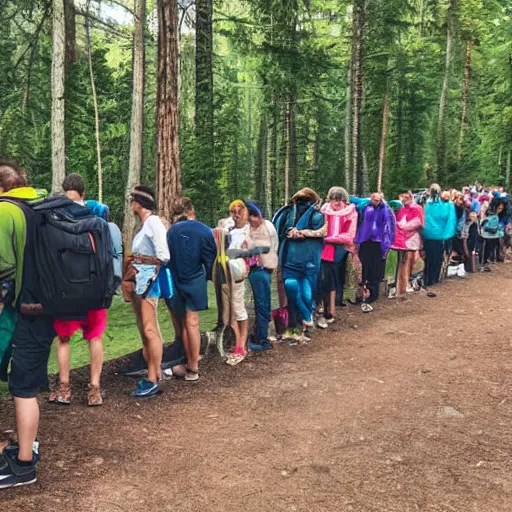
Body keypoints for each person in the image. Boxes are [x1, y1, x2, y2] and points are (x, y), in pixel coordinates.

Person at [49, 174, 122, 407]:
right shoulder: (97, 218)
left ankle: (64, 389)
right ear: (83, 194)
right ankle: (94, 389)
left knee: (63, 339)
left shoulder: (56, 217)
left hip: (66, 291)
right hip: (94, 289)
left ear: (65, 192)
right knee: (95, 337)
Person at [0, 161, 52, 489]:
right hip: (46, 310)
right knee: (28, 385)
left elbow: (4, 272)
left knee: (22, 389)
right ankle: (24, 449)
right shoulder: (41, 207)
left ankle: (23, 467)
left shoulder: (6, 212)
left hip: (19, 314)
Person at [123, 186, 171, 398]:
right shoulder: (145, 225)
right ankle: (153, 371)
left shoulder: (153, 223)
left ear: (139, 203)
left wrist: (142, 261)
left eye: (133, 200)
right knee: (147, 329)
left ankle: (152, 378)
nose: (131, 204)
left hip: (150, 281)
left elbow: (163, 255)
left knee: (150, 329)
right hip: (141, 279)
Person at [166, 197, 216, 381]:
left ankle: (188, 360)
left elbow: (167, 258)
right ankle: (193, 367)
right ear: (191, 211)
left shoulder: (170, 232)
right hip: (195, 280)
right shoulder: (204, 230)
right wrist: (208, 276)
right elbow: (210, 260)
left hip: (177, 280)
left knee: (185, 323)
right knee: (193, 322)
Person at [273, 188, 325, 341]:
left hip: (292, 259)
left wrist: (296, 233)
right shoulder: (318, 215)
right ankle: (305, 320)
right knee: (305, 291)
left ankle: (300, 323)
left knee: (294, 289)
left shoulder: (288, 212)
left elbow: (279, 231)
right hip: (308, 261)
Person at [312, 187, 357, 328]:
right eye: (334, 199)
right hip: (323, 250)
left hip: (340, 250)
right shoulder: (323, 211)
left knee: (335, 281)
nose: (337, 203)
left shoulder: (350, 213)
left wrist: (330, 238)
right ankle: (323, 310)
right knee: (323, 280)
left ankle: (330, 310)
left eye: (340, 199)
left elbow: (349, 235)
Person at [245, 201, 279, 351]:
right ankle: (260, 335)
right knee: (261, 303)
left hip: (260, 269)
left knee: (262, 303)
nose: (251, 219)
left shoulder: (265, 227)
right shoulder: (251, 228)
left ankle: (262, 338)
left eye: (253, 215)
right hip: (257, 269)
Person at [354, 192, 396, 312]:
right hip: (365, 240)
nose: (376, 201)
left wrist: (386, 244)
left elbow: (389, 227)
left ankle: (373, 293)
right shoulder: (365, 207)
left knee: (376, 268)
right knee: (364, 267)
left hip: (379, 242)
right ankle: (362, 293)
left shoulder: (386, 210)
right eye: (374, 199)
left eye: (378, 199)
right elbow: (355, 204)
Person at [422, 184, 456, 293]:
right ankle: (434, 277)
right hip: (440, 235)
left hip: (428, 234)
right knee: (436, 258)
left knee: (428, 258)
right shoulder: (448, 205)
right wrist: (447, 235)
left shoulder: (427, 203)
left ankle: (427, 278)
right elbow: (451, 220)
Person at [391, 189, 424, 297]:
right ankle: (401, 287)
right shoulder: (402, 209)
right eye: (402, 197)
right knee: (402, 264)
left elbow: (417, 222)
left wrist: (401, 227)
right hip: (401, 240)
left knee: (407, 263)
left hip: (411, 240)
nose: (404, 200)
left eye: (406, 197)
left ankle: (404, 286)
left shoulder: (416, 208)